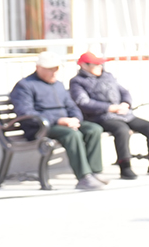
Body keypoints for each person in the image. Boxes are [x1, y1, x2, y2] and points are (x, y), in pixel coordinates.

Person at [9, 51, 106, 190]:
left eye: (56, 68)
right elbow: (25, 112)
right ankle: (84, 177)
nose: (54, 72)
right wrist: (58, 120)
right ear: (38, 67)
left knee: (94, 129)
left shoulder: (58, 85)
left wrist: (75, 119)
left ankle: (94, 172)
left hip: (63, 123)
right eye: (50, 69)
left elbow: (72, 106)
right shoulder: (25, 85)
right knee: (72, 134)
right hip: (40, 127)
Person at [68, 52, 149, 179]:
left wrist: (125, 103)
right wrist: (110, 108)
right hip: (102, 117)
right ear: (84, 66)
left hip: (124, 114)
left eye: (100, 64)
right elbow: (84, 102)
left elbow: (124, 92)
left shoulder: (108, 76)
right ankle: (125, 166)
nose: (100, 67)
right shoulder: (77, 82)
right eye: (96, 64)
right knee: (122, 130)